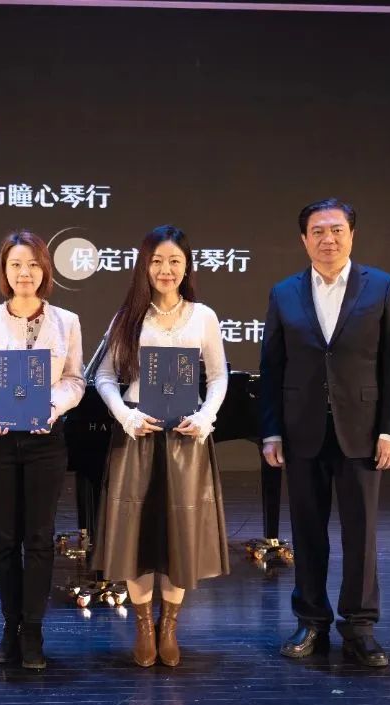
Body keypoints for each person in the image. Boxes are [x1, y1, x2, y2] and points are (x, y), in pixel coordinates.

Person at [260, 198, 390, 668]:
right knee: (307, 533)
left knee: (360, 534)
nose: (328, 239)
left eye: (337, 230)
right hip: (301, 430)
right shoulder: (284, 292)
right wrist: (271, 432)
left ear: (352, 235)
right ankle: (311, 621)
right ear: (303, 239)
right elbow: (272, 367)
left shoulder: (382, 286)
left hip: (362, 431)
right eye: (318, 231)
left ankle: (360, 627)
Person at [92, 224, 229, 668]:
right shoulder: (128, 317)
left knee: (179, 536)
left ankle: (169, 626)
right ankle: (143, 626)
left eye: (174, 260)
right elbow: (105, 376)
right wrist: (125, 414)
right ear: (144, 266)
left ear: (186, 266)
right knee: (136, 535)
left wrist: (206, 416)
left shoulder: (203, 316)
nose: (165, 269)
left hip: (185, 441)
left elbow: (218, 377)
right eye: (156, 261)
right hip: (139, 436)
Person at [0, 230, 85, 670]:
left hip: (45, 440)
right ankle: (9, 624)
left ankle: (33, 629)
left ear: (44, 269)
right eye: (15, 265)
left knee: (40, 537)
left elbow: (75, 380)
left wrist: (53, 405)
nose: (24, 273)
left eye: (32, 264)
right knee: (5, 539)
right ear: (4, 271)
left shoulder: (66, 321)